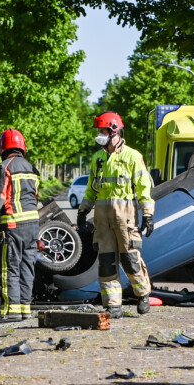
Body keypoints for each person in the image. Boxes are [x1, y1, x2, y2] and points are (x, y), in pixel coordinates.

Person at [76, 112, 155, 319]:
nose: (99, 136)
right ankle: (113, 305)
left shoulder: (132, 156)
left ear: (114, 131)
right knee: (106, 262)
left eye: (102, 132)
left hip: (125, 218)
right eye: (99, 132)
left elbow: (144, 188)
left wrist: (148, 214)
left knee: (130, 259)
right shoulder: (98, 158)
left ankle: (143, 293)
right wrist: (83, 210)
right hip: (103, 220)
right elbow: (91, 190)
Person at [0, 129, 41, 321]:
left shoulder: (4, 167)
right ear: (22, 146)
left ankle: (10, 311)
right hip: (33, 227)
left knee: (8, 268)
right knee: (27, 268)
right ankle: (25, 308)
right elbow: (35, 196)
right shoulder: (32, 168)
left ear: (2, 147)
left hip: (13, 227)